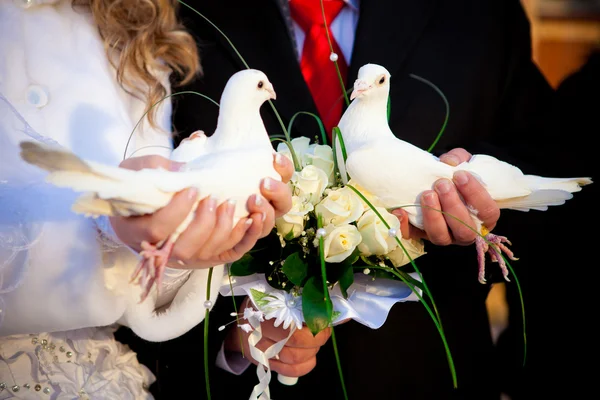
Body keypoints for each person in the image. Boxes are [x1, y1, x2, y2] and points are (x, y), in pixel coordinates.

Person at [114, 0, 570, 399]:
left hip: (428, 374)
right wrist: (231, 340)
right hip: (247, 384)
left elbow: (548, 162)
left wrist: (481, 211)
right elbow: (132, 227)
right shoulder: (171, 15)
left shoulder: (480, 12)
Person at [0, 0, 295, 397]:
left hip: (101, 378)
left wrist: (183, 255)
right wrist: (111, 222)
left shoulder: (133, 28)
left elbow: (143, 295)